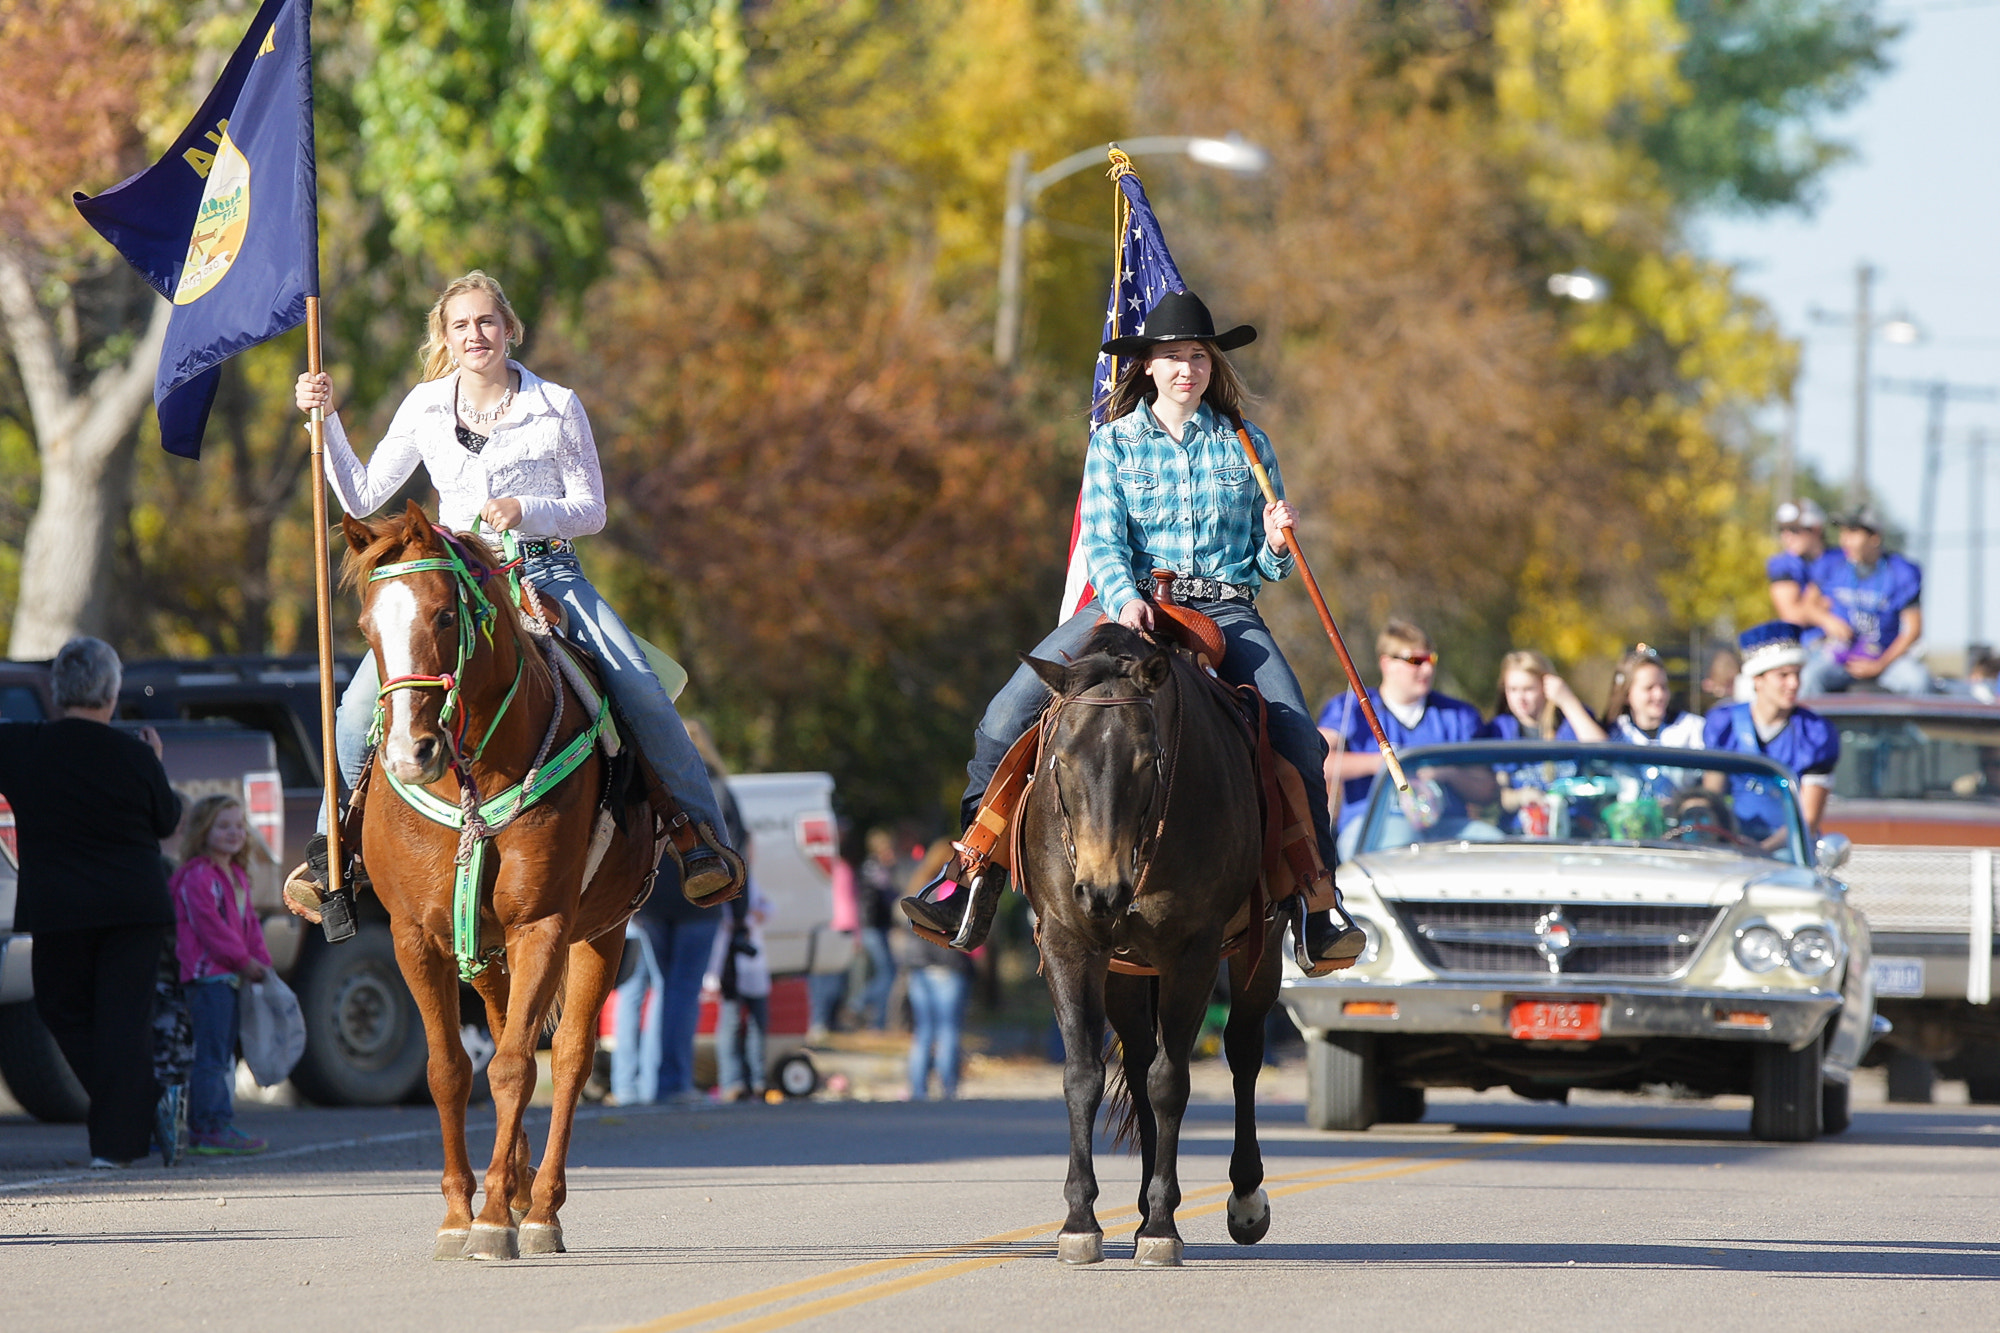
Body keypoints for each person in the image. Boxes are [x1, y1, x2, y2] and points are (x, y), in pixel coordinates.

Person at [899, 291, 1362, 971]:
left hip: (1225, 607)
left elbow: (1266, 570)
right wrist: (1123, 598)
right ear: (1146, 364)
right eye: (1174, 356)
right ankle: (971, 874)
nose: (1187, 368)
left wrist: (1277, 543)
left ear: (1211, 364)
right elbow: (1103, 539)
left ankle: (1314, 905)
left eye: (1198, 355)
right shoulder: (1113, 443)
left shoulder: (1247, 441)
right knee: (1005, 715)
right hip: (1126, 604)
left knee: (1296, 732)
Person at [287, 270, 737, 928]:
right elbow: (359, 497)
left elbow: (592, 509)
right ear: (444, 335)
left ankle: (700, 838)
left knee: (639, 685)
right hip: (457, 581)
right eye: (461, 325)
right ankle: (332, 852)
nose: (476, 335)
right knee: (359, 702)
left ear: (509, 329)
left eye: (486, 322)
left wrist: (527, 507)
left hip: (544, 572)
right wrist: (322, 421)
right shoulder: (424, 407)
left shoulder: (557, 404)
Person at [0, 638, 181, 1167]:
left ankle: (119, 1143)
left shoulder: (24, 746)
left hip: (60, 909)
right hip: (134, 908)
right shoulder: (136, 754)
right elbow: (167, 821)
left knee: (63, 1012)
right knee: (123, 1024)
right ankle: (132, 1114)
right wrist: (155, 762)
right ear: (111, 690)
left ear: (58, 690)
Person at [612, 719, 742, 1105]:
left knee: (640, 992)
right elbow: (736, 849)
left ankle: (628, 1085)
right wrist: (741, 910)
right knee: (680, 992)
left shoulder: (648, 780)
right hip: (698, 902)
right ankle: (670, 1083)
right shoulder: (714, 788)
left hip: (648, 900)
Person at [1322, 619, 1487, 857]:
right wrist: (1380, 764)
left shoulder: (1458, 715)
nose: (1427, 669)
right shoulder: (1350, 707)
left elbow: (1487, 789)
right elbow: (1318, 761)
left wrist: (1446, 773)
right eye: (1416, 661)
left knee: (1495, 845)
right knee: (1400, 845)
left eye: (1431, 660)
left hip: (1448, 827)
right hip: (1373, 826)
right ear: (1387, 663)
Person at [168, 795, 272, 1155]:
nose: (234, 833)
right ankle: (208, 1127)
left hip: (228, 978)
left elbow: (249, 924)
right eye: (223, 826)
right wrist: (243, 961)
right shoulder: (198, 876)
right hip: (207, 979)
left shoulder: (236, 875)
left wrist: (261, 960)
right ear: (202, 831)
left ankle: (218, 1122)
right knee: (212, 1055)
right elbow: (210, 928)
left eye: (239, 826)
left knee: (224, 1054)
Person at [1704, 622, 1841, 840]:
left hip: (1789, 853)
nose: (1794, 683)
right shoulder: (1724, 724)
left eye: (1797, 674)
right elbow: (1711, 799)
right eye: (1783, 675)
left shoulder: (1814, 733)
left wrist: (1761, 851)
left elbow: (1807, 821)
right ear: (1757, 678)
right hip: (1732, 845)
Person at [1800, 506, 1930, 696]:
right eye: (1843, 533)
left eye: (1853, 533)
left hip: (1885, 657)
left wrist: (1880, 664)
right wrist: (1827, 621)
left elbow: (1914, 629)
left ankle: (1913, 727)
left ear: (1874, 538)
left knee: (1918, 681)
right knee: (1808, 677)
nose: (1845, 540)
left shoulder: (1900, 572)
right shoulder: (1833, 564)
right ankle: (1814, 726)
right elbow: (1808, 606)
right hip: (1841, 655)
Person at [895, 841, 975, 1100]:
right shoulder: (953, 888)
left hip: (920, 966)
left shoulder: (920, 885)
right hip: (949, 965)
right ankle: (947, 1088)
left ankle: (918, 1088)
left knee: (923, 1030)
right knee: (948, 1029)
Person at [706, 880, 772, 1101]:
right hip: (730, 968)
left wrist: (754, 916)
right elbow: (720, 932)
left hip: (755, 965)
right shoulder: (723, 889)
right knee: (730, 1024)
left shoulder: (751, 884)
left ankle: (757, 1080)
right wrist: (712, 977)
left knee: (757, 1024)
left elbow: (769, 908)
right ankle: (732, 1081)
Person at [1478, 650, 1605, 741]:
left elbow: (1603, 753)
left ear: (1547, 688)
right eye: (1513, 689)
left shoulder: (1570, 722)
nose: (1520, 698)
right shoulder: (1499, 730)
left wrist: (1568, 702)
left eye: (1528, 689)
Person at [1602, 644, 1706, 747]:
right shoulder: (1614, 733)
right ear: (1626, 695)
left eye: (1664, 686)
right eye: (1649, 688)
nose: (1659, 695)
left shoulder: (1694, 728)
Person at [857, 829, 903, 1032]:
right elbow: (889, 897)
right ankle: (859, 1005)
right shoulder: (875, 869)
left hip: (876, 926)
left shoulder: (874, 868)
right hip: (873, 927)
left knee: (886, 974)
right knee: (887, 974)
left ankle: (875, 1018)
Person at [1767, 498, 1830, 635]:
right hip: (1807, 644)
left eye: (1794, 529)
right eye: (1782, 530)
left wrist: (1807, 606)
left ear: (1816, 529)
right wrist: (1825, 613)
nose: (1786, 536)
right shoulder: (1782, 565)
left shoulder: (1839, 558)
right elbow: (1792, 616)